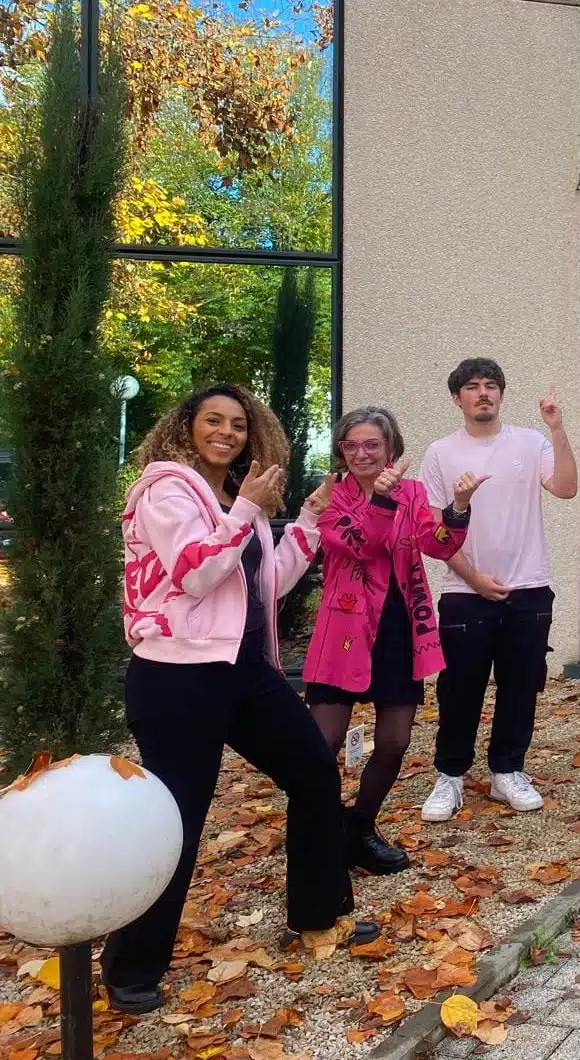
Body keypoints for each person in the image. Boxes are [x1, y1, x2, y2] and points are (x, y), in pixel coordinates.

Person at [105, 384, 375, 1013]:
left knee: (314, 773)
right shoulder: (164, 489)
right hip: (178, 676)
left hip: (244, 670)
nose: (226, 432)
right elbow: (196, 573)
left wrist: (306, 520)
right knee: (177, 820)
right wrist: (247, 509)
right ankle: (131, 966)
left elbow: (265, 585)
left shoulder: (232, 497)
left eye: (237, 424)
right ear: (187, 427)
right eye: (213, 420)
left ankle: (318, 915)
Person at [303, 407, 486, 874]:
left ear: (390, 448)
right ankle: (319, 832)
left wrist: (458, 507)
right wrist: (382, 501)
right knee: (322, 743)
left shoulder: (413, 492)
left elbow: (439, 544)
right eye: (350, 445)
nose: (361, 453)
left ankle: (361, 828)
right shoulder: (328, 496)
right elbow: (361, 545)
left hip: (399, 625)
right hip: (343, 630)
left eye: (372, 444)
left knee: (394, 741)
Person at [417, 359, 578, 823]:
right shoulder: (440, 453)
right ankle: (450, 774)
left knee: (521, 686)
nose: (483, 393)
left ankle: (507, 770)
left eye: (491, 385)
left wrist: (557, 428)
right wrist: (473, 578)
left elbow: (566, 488)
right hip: (464, 592)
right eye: (472, 387)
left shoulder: (530, 442)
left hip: (529, 587)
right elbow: (434, 533)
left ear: (501, 394)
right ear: (457, 398)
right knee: (459, 688)